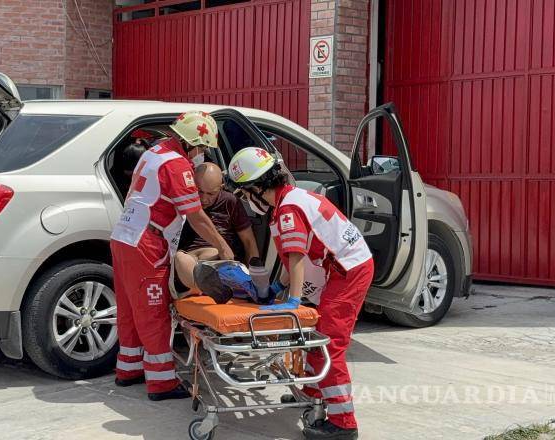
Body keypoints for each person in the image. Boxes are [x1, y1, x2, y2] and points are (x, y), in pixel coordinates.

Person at [227, 147, 374, 440]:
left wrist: (293, 301)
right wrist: (279, 288)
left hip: (348, 271)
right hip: (341, 267)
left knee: (328, 343)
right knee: (315, 334)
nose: (245, 202)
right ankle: (310, 390)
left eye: (243, 194)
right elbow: (292, 257)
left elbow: (296, 258)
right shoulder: (289, 201)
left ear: (256, 188)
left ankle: (343, 423)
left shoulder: (287, 209)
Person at [110, 111, 234, 401]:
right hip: (146, 242)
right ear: (191, 142)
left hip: (124, 235)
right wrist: (223, 246)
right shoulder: (177, 165)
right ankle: (162, 382)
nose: (202, 153)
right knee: (153, 313)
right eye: (201, 147)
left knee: (130, 309)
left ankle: (128, 368)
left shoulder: (155, 152)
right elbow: (195, 215)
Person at [173, 162, 260, 294]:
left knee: (209, 261)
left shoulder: (230, 202)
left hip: (217, 259)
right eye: (199, 191)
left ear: (221, 188)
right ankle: (202, 290)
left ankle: (200, 289)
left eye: (211, 194)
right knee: (180, 258)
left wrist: (255, 278)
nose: (204, 199)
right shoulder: (185, 199)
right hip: (189, 261)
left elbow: (249, 241)